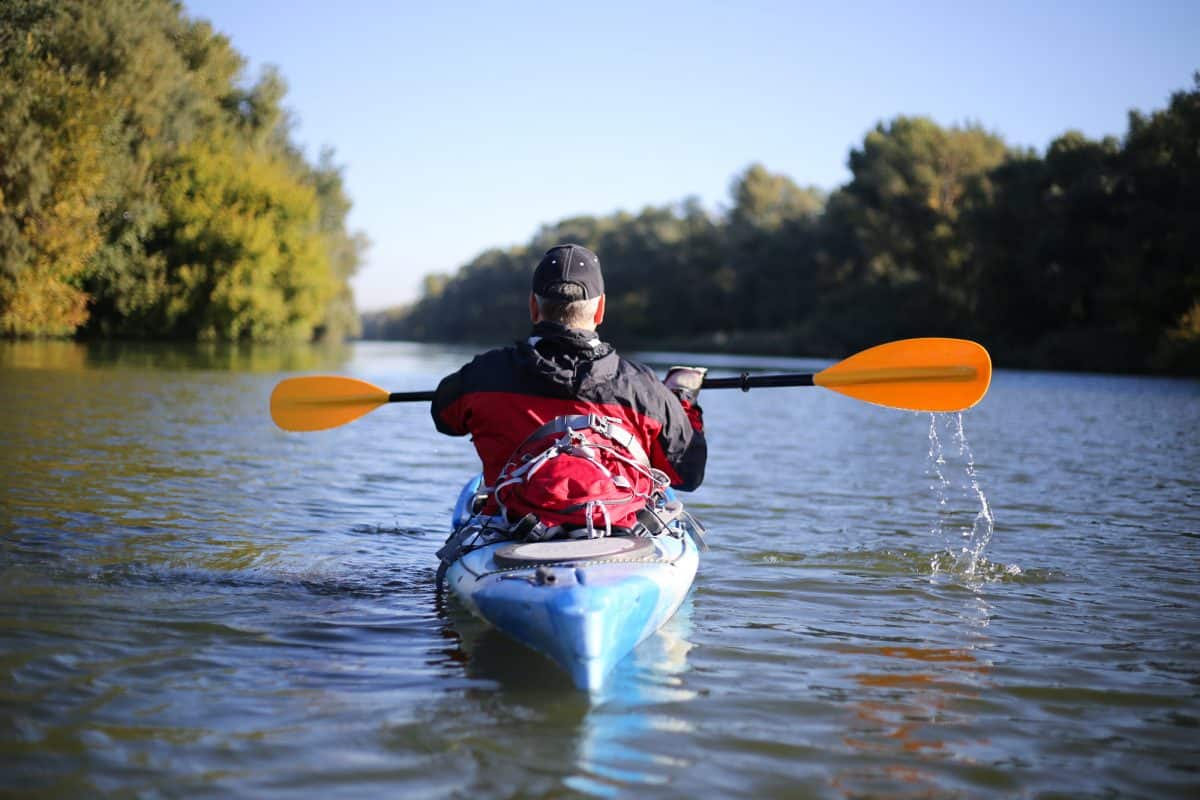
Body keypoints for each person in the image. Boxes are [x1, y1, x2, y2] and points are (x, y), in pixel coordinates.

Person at [431, 244, 707, 519]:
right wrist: (682, 403)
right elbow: (686, 474)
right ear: (600, 310)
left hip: (511, 532)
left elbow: (444, 419)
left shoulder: (484, 375)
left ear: (532, 306)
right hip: (615, 538)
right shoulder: (645, 388)